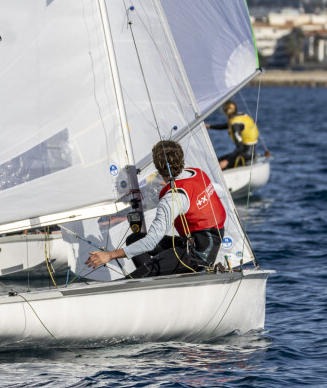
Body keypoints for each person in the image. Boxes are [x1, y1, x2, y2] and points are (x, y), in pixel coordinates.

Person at [86, 140, 226, 278]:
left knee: (135, 278)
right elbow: (220, 192)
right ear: (181, 158)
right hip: (201, 241)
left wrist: (110, 255)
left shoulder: (173, 198)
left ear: (157, 166)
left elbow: (151, 242)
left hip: (200, 253)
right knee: (135, 239)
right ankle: (155, 277)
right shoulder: (196, 173)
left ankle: (146, 276)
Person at [206, 100, 259, 170]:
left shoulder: (235, 124)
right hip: (252, 152)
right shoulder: (242, 115)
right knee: (218, 161)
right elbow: (227, 125)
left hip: (245, 155)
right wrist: (209, 126)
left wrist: (227, 161)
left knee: (216, 164)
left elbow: (240, 147)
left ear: (225, 112)